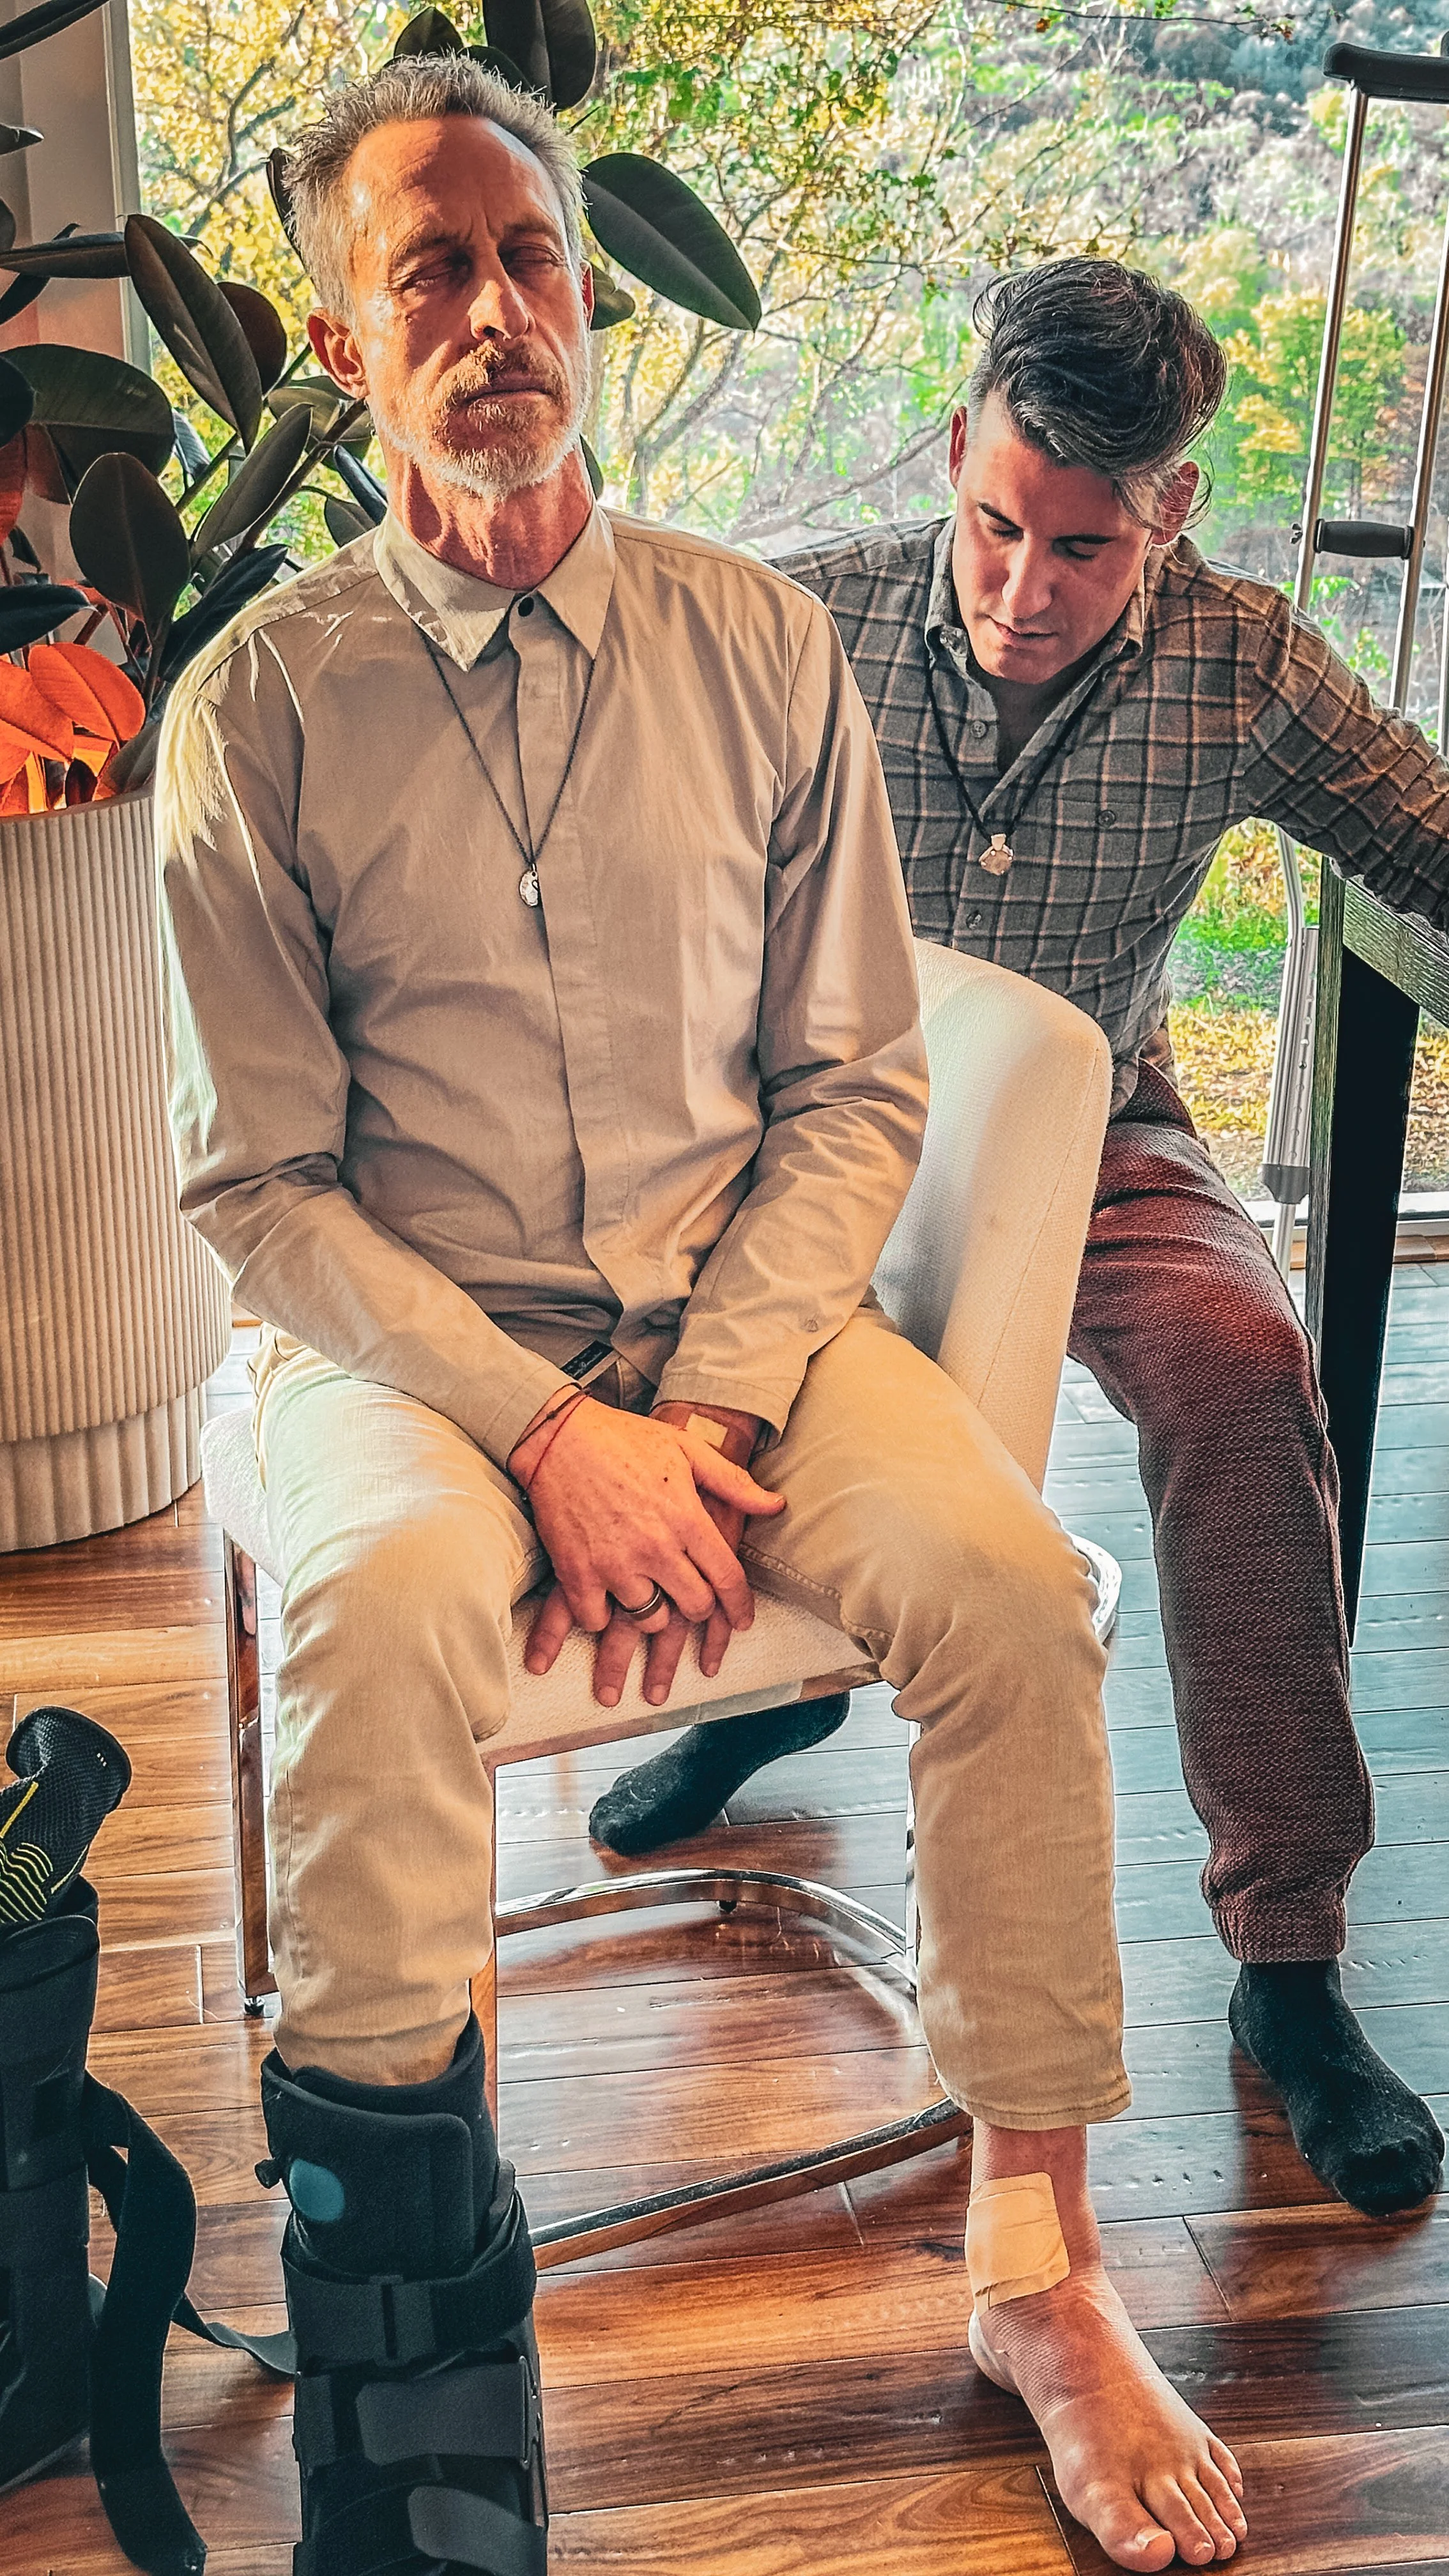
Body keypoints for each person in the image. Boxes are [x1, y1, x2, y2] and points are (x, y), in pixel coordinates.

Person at [157, 76, 1248, 2576]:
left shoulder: (755, 643)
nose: (497, 310)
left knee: (1012, 1589)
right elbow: (261, 1191)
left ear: (590, 288)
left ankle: (1038, 2277)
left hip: (744, 1316)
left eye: (530, 253)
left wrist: (720, 1400)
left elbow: (853, 1082)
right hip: (414, 1351)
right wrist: (558, 1437)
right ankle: (410, 2392)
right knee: (378, 1613)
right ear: (342, 339)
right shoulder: (256, 706)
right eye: (430, 269)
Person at [595, 254, 1446, 2228]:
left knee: (1243, 1375)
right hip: (795, 1143)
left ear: (1170, 507)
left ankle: (1288, 1962)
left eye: (1079, 547)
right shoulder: (798, 624)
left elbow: (1426, 837)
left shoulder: (1243, 667)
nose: (1019, 588)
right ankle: (766, 1691)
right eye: (993, 524)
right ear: (954, 455)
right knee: (683, 1340)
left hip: (1090, 1142)